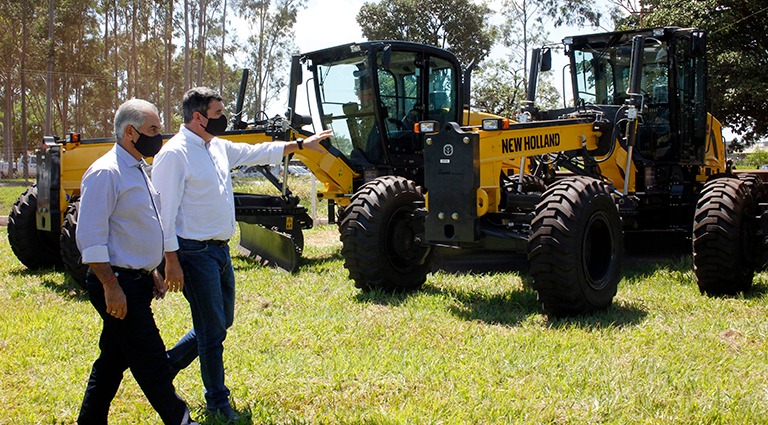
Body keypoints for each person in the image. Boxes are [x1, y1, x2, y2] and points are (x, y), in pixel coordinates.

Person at [151, 87, 332, 421]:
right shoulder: (174, 155)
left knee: (221, 323)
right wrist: (170, 260)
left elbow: (256, 152)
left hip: (220, 251)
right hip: (193, 253)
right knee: (212, 332)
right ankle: (218, 401)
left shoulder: (216, 147)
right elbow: (164, 213)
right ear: (198, 117)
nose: (225, 120)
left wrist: (301, 146)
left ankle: (165, 367)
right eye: (219, 114)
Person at [75, 99, 196, 425]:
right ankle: (180, 419)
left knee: (113, 359)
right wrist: (111, 286)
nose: (159, 136)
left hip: (135, 280)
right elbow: (91, 238)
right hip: (116, 283)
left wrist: (150, 269)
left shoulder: (139, 168)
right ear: (130, 132)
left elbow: (139, 227)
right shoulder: (106, 173)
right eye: (153, 129)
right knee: (151, 359)